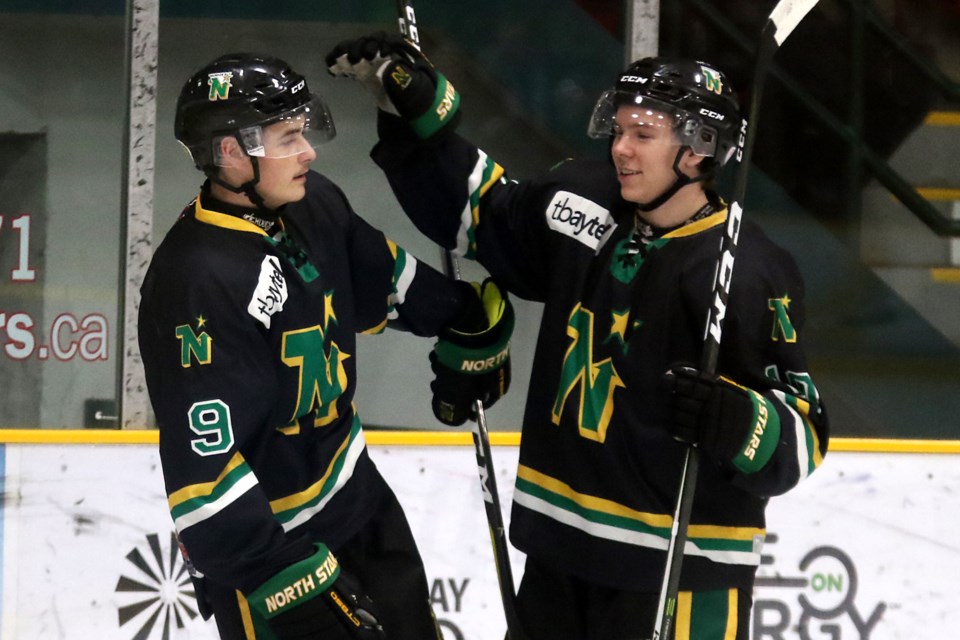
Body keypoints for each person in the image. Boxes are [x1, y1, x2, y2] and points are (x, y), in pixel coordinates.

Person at [326, 34, 829, 639]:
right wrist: (413, 119)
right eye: (618, 131)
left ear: (699, 151)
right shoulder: (585, 202)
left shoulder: (747, 271)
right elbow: (482, 216)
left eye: (643, 135)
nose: (620, 149)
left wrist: (739, 421)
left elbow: (803, 437)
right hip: (559, 551)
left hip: (679, 574)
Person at [138, 52, 513, 640]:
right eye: (288, 137)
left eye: (303, 131)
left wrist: (467, 321)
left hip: (358, 500)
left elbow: (385, 280)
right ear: (230, 152)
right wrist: (280, 577)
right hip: (278, 547)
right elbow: (202, 466)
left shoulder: (314, 205)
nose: (308, 151)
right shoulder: (194, 280)